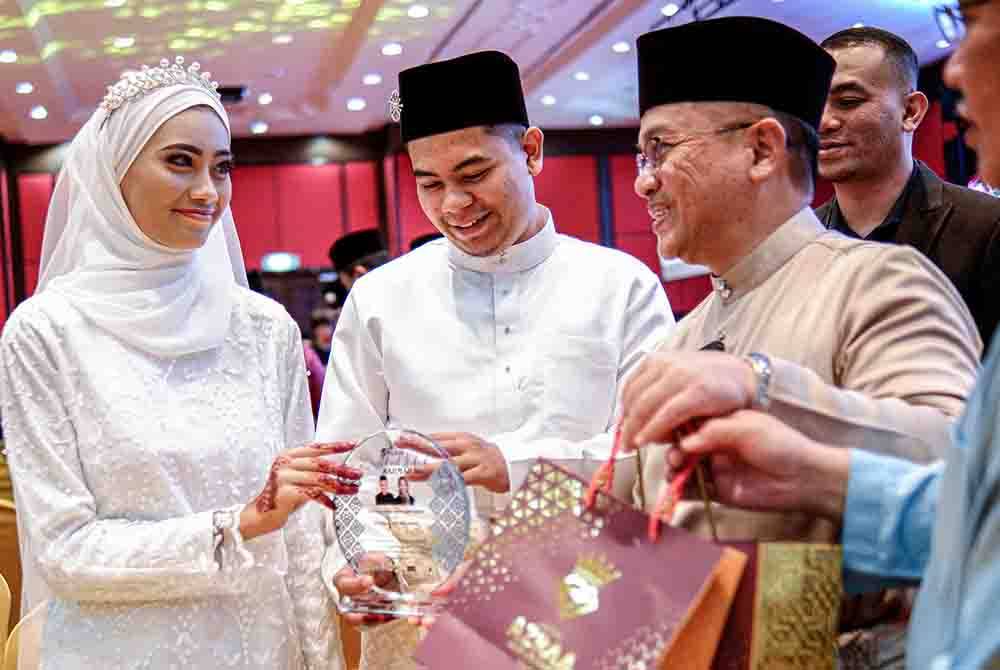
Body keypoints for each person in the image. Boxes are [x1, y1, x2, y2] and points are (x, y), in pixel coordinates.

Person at [637, 4, 1000, 668]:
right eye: (640, 154)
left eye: (660, 148)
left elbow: (965, 470)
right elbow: (633, 516)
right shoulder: (681, 337)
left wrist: (767, 390)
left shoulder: (880, 281)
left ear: (761, 149)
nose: (643, 179)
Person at [0, 58, 361, 670]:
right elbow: (63, 552)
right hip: (117, 653)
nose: (207, 192)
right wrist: (236, 525)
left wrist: (321, 661)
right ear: (116, 170)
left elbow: (298, 530)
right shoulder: (46, 333)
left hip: (261, 649)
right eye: (180, 162)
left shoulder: (262, 328)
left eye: (222, 168)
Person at [318, 50, 673, 669]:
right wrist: (359, 562)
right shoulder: (380, 298)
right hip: (423, 617)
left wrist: (512, 464)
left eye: (474, 173)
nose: (454, 203)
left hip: (585, 605)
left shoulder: (620, 286)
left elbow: (654, 460)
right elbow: (349, 464)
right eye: (429, 183)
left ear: (532, 150)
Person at [815, 26, 1000, 349]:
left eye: (848, 101)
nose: (824, 122)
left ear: (911, 111)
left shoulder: (986, 227)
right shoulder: (801, 240)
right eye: (814, 104)